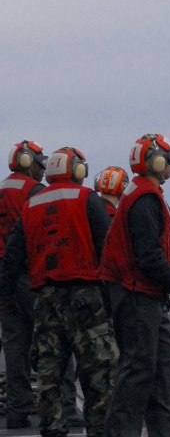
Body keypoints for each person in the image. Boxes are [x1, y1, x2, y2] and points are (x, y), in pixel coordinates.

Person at [0, 147, 117, 437]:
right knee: (98, 366)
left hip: (45, 295)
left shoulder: (32, 203)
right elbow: (108, 246)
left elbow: (13, 255)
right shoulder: (87, 198)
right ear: (77, 170)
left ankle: (51, 425)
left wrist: (3, 294)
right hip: (85, 294)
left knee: (48, 365)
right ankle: (98, 427)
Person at [99, 133, 170, 437]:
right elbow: (148, 256)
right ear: (154, 161)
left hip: (147, 294)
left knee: (164, 374)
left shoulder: (142, 194)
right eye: (168, 159)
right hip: (137, 293)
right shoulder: (144, 198)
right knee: (138, 372)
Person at [0, 140, 48, 429]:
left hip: (3, 278)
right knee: (52, 340)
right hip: (28, 275)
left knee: (15, 344)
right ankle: (61, 407)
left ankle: (18, 411)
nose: (43, 168)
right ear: (29, 162)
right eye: (40, 162)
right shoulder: (34, 192)